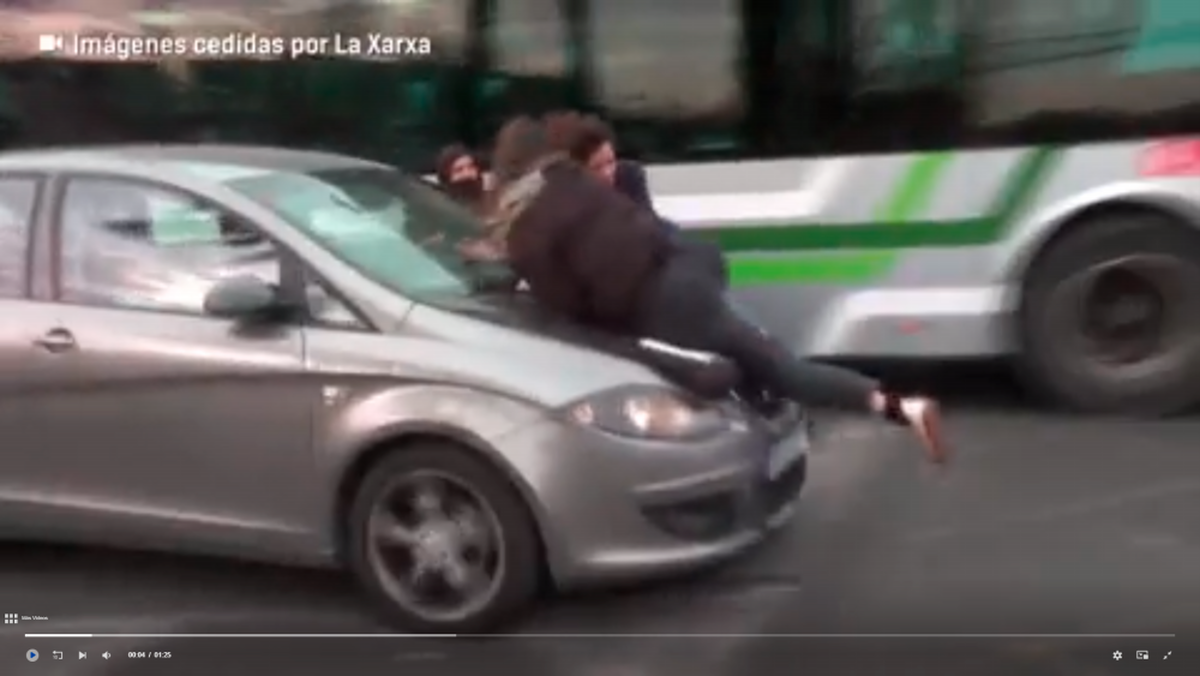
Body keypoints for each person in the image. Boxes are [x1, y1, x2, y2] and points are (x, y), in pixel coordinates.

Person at [489, 116, 948, 464]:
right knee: (775, 365)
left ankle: (760, 457)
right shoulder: (578, 184)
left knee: (709, 386)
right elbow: (636, 230)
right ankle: (900, 405)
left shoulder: (526, 232)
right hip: (689, 267)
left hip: (660, 307)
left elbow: (568, 308)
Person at [542, 111, 727, 283]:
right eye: (596, 167)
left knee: (701, 254)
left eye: (610, 162)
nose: (608, 173)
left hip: (647, 247)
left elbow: (647, 228)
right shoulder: (559, 200)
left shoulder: (629, 175)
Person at [434, 143, 487, 215]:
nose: (467, 174)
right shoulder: (441, 209)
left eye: (471, 167)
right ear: (447, 177)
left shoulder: (494, 201)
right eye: (459, 170)